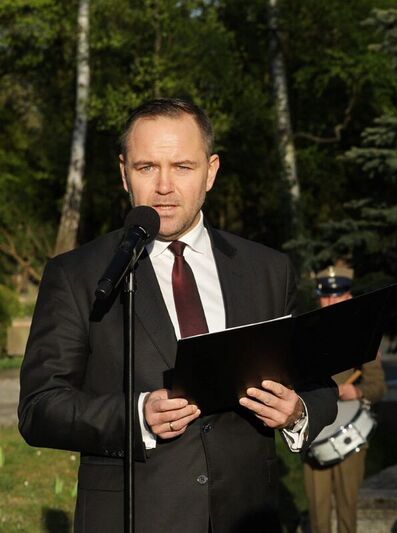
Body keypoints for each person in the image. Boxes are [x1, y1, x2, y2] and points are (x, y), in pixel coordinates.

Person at [17, 98, 337, 532]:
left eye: (183, 167)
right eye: (147, 167)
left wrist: (297, 412)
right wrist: (135, 415)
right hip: (135, 516)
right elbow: (40, 408)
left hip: (247, 518)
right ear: (123, 172)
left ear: (211, 171)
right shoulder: (78, 274)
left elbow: (318, 383)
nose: (164, 186)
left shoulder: (268, 270)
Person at [303, 265, 387, 533]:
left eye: (336, 296)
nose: (329, 302)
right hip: (314, 432)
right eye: (325, 296)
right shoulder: (305, 335)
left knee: (347, 510)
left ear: (348, 297)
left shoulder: (364, 336)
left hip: (348, 433)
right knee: (318, 515)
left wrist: (356, 392)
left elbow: (378, 386)